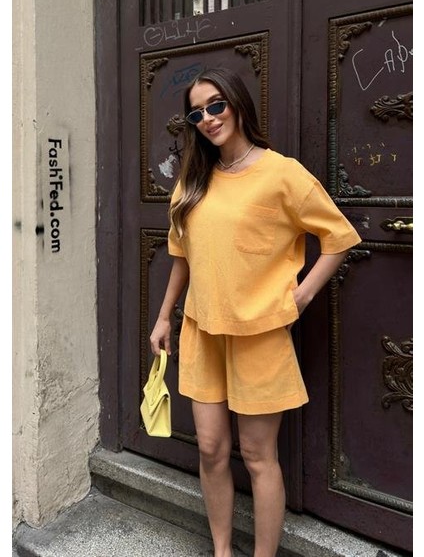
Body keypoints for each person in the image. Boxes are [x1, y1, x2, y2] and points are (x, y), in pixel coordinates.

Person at [150, 67, 361, 557]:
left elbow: (338, 238)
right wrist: (164, 317)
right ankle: (222, 550)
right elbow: (182, 256)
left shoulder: (282, 173)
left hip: (260, 334)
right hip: (202, 329)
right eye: (197, 113)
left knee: (259, 456)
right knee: (210, 448)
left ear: (238, 103)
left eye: (216, 105)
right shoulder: (194, 179)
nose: (207, 118)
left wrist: (300, 297)